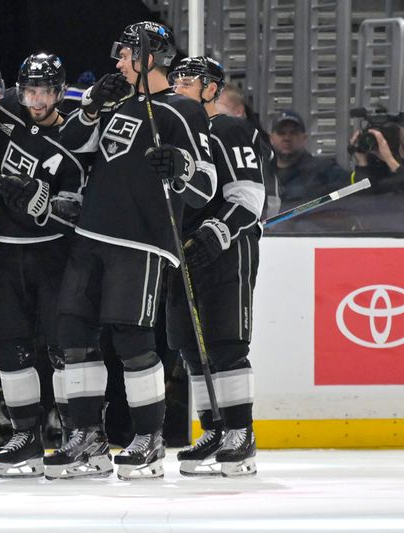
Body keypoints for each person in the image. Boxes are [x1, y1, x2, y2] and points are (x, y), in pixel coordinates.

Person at [44, 21, 216, 480]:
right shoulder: (118, 104)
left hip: (141, 243)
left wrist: (180, 165)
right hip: (91, 237)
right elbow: (69, 149)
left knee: (132, 340)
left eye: (126, 55)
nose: (118, 63)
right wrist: (91, 107)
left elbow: (206, 186)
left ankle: (149, 438)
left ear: (150, 58)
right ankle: (88, 439)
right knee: (73, 336)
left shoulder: (183, 110)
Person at [0, 52, 86, 478]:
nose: (36, 100)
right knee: (11, 346)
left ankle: (74, 432)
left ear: (59, 92)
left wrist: (43, 204)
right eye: (29, 90)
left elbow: (78, 205)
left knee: (63, 347)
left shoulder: (78, 133)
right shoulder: (3, 107)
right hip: (4, 252)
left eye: (45, 91)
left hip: (53, 253)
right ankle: (24, 434)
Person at [168, 56, 263, 476]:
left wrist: (216, 232)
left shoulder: (229, 127)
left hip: (228, 248)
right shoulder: (173, 131)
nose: (181, 85)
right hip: (181, 251)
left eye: (191, 80)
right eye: (177, 79)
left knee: (225, 344)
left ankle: (240, 431)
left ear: (212, 89)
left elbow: (248, 198)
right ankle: (215, 427)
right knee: (192, 347)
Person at [350, 101, 404, 229]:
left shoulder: (388, 159)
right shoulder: (379, 161)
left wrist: (390, 160)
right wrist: (362, 163)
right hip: (377, 237)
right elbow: (360, 205)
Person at [266, 109, 348, 218]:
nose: (287, 138)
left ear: (304, 138)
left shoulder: (324, 169)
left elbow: (356, 188)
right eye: (281, 133)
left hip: (310, 233)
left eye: (293, 133)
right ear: (271, 139)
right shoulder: (259, 174)